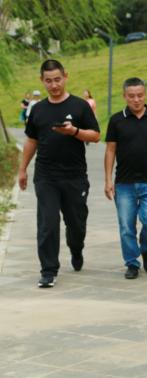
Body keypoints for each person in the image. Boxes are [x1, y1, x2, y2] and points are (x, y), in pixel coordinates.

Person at [18, 59, 100, 288]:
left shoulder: (80, 106)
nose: (53, 85)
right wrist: (22, 169)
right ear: (41, 80)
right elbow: (31, 140)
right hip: (46, 176)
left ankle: (76, 248)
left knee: (76, 224)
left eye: (57, 80)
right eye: (48, 81)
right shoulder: (38, 109)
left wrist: (74, 131)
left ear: (65, 77)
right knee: (48, 223)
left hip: (75, 176)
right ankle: (48, 270)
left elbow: (95, 136)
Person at [104, 78, 147, 279]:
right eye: (131, 96)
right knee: (127, 226)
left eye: (140, 95)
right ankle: (132, 263)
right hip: (123, 183)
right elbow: (110, 150)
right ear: (124, 96)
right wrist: (108, 180)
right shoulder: (117, 120)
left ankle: (146, 248)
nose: (136, 100)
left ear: (145, 95)